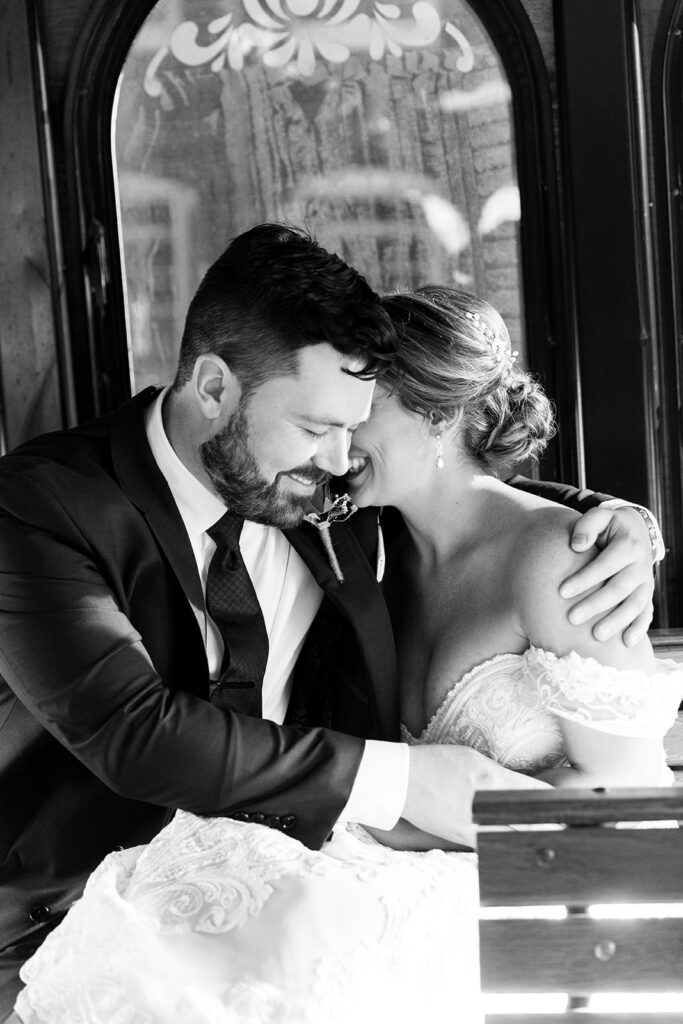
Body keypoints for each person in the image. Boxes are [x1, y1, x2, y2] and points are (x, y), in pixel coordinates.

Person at [0, 228, 663, 1021]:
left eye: (354, 425)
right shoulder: (41, 505)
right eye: (318, 428)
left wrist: (616, 522)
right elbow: (134, 733)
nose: (340, 460)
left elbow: (469, 503)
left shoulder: (316, 491)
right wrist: (405, 781)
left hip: (306, 895)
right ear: (214, 389)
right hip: (66, 912)